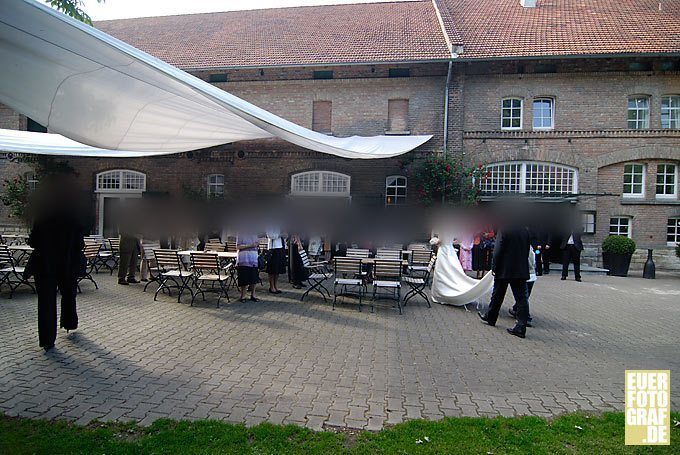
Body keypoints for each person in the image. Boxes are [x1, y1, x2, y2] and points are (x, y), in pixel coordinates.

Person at [26, 174, 86, 352]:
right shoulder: (73, 216)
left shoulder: (43, 214)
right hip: (67, 263)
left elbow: (33, 241)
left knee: (46, 302)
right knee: (69, 294)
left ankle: (47, 339)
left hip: (45, 264)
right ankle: (69, 322)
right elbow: (79, 244)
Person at [478, 223, 531, 338]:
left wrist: (494, 266)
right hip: (520, 269)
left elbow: (498, 250)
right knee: (522, 298)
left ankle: (491, 317)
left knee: (497, 294)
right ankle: (521, 326)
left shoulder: (505, 229)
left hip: (505, 268)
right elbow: (527, 250)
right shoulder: (524, 230)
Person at [510, 245, 537, 327]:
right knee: (524, 297)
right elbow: (533, 261)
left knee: (522, 298)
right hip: (531, 275)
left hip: (524, 275)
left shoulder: (523, 247)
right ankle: (515, 309)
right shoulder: (529, 247)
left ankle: (526, 317)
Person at [236, 233, 260, 302]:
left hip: (253, 258)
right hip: (244, 258)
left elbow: (257, 243)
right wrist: (250, 245)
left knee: (254, 277)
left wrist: (257, 243)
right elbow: (238, 246)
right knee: (244, 277)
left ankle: (253, 295)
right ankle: (243, 296)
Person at [266, 227, 286, 294]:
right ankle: (271, 287)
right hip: (273, 248)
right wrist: (281, 234)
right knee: (272, 269)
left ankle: (275, 285)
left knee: (277, 269)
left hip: (280, 247)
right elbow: (270, 235)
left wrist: (285, 235)